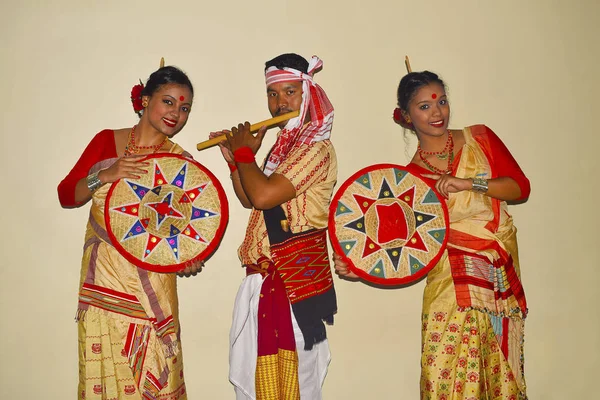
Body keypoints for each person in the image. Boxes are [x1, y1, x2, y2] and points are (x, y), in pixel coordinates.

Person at [334, 71, 530, 399]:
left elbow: (519, 188)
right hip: (449, 282)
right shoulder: (408, 181)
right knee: (446, 375)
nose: (437, 112)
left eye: (441, 101)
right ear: (407, 117)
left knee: (499, 376)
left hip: (496, 275)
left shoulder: (479, 138)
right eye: (425, 106)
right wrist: (360, 269)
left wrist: (469, 183)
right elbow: (407, 247)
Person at [58, 65, 202, 400]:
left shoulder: (180, 162)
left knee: (158, 374)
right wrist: (104, 176)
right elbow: (67, 195)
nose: (176, 114)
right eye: (168, 102)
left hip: (153, 292)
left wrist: (188, 259)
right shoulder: (107, 141)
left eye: (184, 109)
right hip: (103, 287)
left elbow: (189, 234)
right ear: (145, 99)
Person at [211, 53, 337, 399]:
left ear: (308, 93)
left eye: (290, 92)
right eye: (273, 94)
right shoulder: (283, 151)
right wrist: (236, 163)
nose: (280, 103)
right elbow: (251, 200)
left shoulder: (316, 149)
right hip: (261, 280)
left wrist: (245, 156)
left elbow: (264, 195)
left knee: (299, 385)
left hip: (294, 285)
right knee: (255, 386)